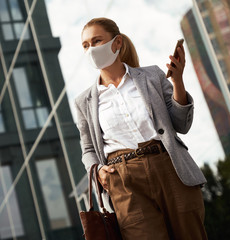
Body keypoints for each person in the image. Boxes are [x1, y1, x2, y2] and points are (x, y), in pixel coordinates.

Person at [75, 17, 208, 240]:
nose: (90, 49)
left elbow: (182, 124)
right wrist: (97, 170)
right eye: (86, 45)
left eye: (97, 41)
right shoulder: (84, 101)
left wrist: (178, 83)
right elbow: (88, 149)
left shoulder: (152, 76)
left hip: (169, 167)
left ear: (116, 43)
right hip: (123, 179)